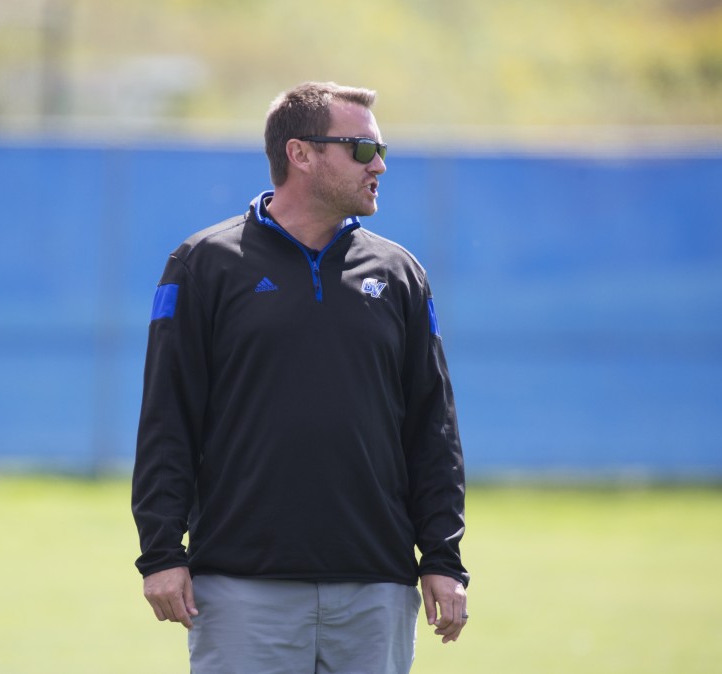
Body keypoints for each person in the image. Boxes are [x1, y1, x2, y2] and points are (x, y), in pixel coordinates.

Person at [132, 81, 469, 673]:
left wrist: (442, 557)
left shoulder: (400, 273)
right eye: (362, 149)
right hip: (241, 585)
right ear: (301, 153)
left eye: (381, 149)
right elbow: (168, 418)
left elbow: (432, 427)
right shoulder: (203, 264)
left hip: (377, 585)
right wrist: (161, 552)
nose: (380, 165)